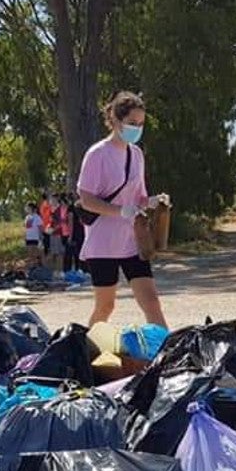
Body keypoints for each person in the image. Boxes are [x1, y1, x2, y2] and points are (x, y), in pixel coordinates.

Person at [76, 91, 169, 328]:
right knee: (105, 307)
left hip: (132, 240)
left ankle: (167, 357)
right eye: (132, 123)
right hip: (103, 243)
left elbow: (139, 197)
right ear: (116, 120)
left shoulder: (136, 155)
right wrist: (120, 211)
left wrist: (154, 201)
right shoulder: (97, 154)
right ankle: (85, 351)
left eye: (141, 124)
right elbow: (86, 200)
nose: (137, 129)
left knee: (151, 301)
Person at [38, 190, 54, 256]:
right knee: (48, 242)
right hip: (48, 226)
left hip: (46, 226)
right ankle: (47, 257)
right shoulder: (47, 205)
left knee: (47, 242)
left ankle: (47, 255)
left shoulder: (42, 205)